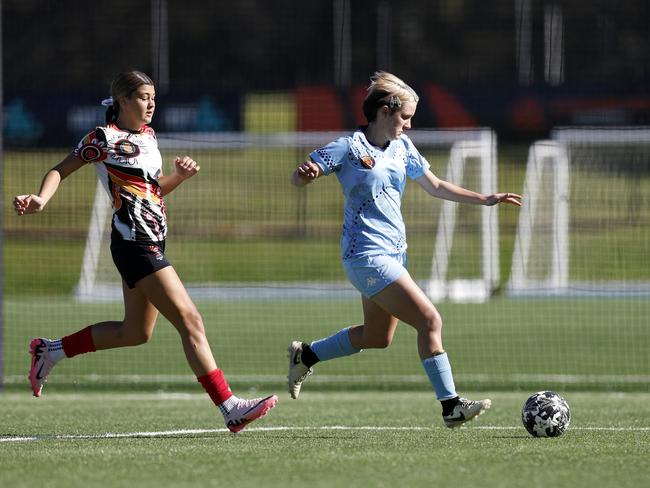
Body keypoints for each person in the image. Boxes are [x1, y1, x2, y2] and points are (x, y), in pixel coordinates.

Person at [14, 70, 277, 433]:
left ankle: (51, 350)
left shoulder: (149, 137)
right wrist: (41, 198)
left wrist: (179, 178)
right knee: (191, 320)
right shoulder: (103, 138)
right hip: (134, 242)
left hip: (150, 240)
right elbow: (60, 169)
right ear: (123, 101)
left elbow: (150, 192)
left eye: (153, 97)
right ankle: (230, 406)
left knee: (134, 332)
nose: (151, 103)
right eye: (142, 97)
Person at [287, 71, 522, 428]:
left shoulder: (402, 148)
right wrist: (305, 175)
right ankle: (451, 406)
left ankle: (307, 354)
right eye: (405, 117)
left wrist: (486, 199)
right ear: (384, 111)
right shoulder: (348, 147)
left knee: (377, 337)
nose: (409, 125)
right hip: (365, 255)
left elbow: (437, 185)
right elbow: (301, 175)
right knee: (430, 320)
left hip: (394, 254)